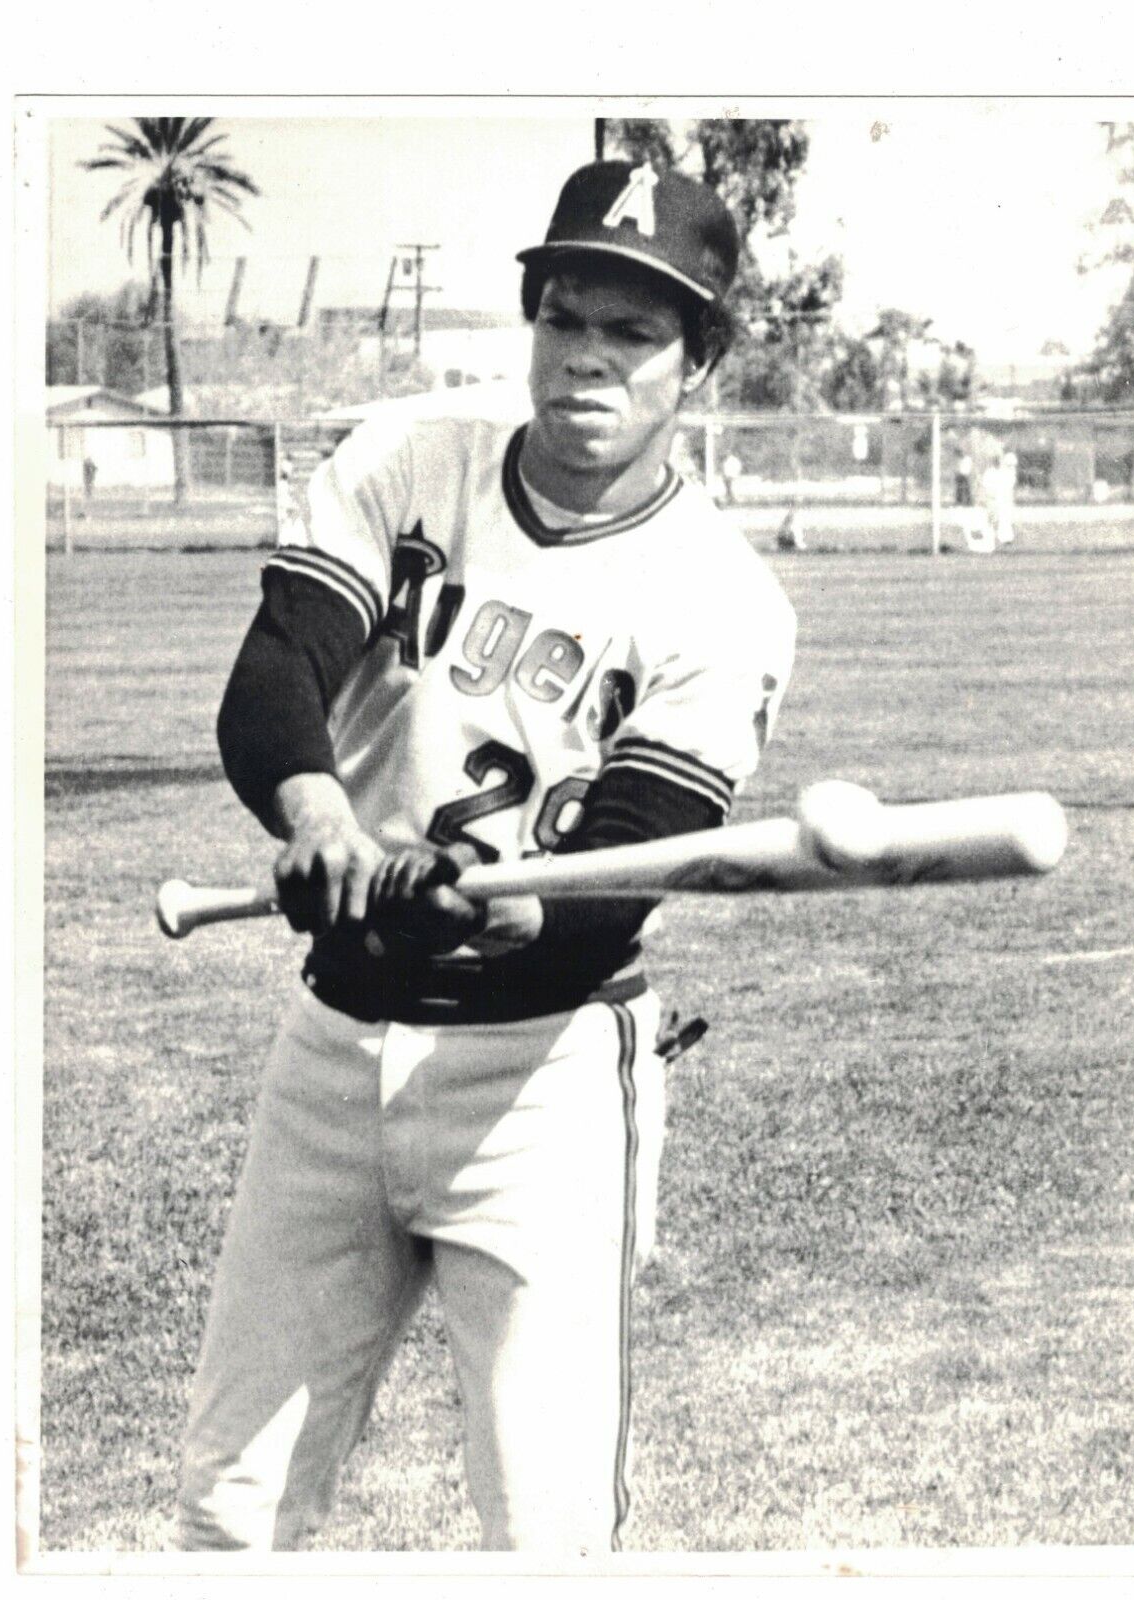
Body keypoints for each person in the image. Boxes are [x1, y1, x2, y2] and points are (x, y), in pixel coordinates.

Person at [178, 158, 797, 1555]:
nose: (588, 358)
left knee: (546, 1524)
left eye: (634, 333)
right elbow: (279, 669)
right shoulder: (413, 462)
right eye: (566, 316)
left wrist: (505, 916)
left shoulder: (722, 600)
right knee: (229, 1510)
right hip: (329, 1052)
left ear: (695, 361)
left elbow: (635, 853)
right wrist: (320, 821)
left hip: (543, 1083)